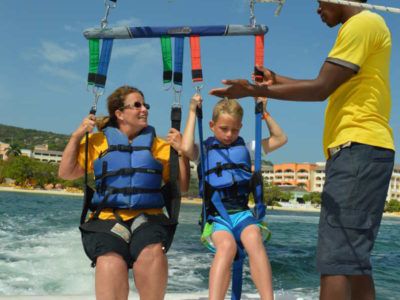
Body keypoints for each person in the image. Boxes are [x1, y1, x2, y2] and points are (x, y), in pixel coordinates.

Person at [209, 1, 395, 299]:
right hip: (363, 150)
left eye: (320, 3)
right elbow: (326, 84)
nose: (317, 10)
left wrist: (254, 90)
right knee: (353, 262)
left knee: (336, 259)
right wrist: (276, 79)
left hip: (357, 150)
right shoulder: (362, 26)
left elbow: (320, 89)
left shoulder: (362, 24)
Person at [58, 85, 190, 300]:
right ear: (119, 113)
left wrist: (182, 152)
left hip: (148, 219)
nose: (144, 109)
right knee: (110, 260)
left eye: (145, 104)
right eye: (136, 105)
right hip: (107, 220)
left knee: (152, 252)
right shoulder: (97, 142)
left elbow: (181, 187)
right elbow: (66, 173)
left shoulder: (160, 146)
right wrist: (76, 137)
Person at [180, 93, 287, 300]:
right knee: (227, 246)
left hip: (242, 214)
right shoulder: (203, 149)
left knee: (254, 238)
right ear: (211, 125)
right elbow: (185, 148)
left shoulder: (247, 148)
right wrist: (193, 111)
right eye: (224, 129)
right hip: (216, 218)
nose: (230, 134)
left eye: (235, 129)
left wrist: (264, 113)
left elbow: (280, 138)